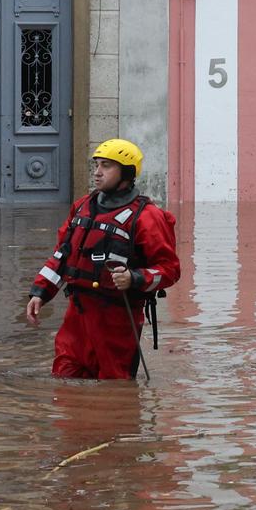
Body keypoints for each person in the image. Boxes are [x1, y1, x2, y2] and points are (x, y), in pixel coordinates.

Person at [25, 139, 180, 380]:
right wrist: (40, 292)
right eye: (96, 165)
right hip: (77, 315)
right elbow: (62, 256)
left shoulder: (148, 217)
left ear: (127, 173)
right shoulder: (81, 208)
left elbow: (169, 270)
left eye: (106, 166)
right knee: (64, 379)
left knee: (115, 385)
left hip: (117, 320)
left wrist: (135, 278)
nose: (97, 173)